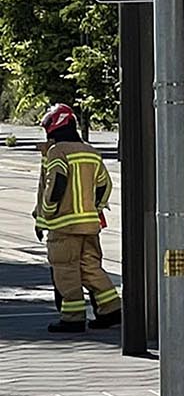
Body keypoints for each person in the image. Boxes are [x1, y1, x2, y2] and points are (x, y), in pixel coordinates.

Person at [32, 104, 121, 334]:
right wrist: (95, 208)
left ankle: (72, 317)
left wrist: (46, 213)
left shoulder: (58, 152)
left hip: (64, 226)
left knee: (66, 269)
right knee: (91, 267)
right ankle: (111, 309)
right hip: (90, 225)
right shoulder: (91, 152)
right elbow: (105, 185)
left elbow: (55, 185)